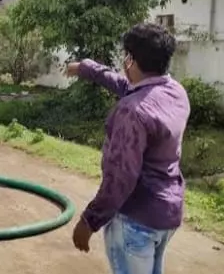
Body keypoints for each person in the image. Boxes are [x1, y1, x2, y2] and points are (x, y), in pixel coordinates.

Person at [66, 23, 189, 274]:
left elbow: (120, 178)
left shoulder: (132, 111)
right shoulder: (175, 92)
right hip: (168, 213)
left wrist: (89, 221)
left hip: (135, 219)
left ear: (131, 60)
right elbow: (127, 86)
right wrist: (87, 68)